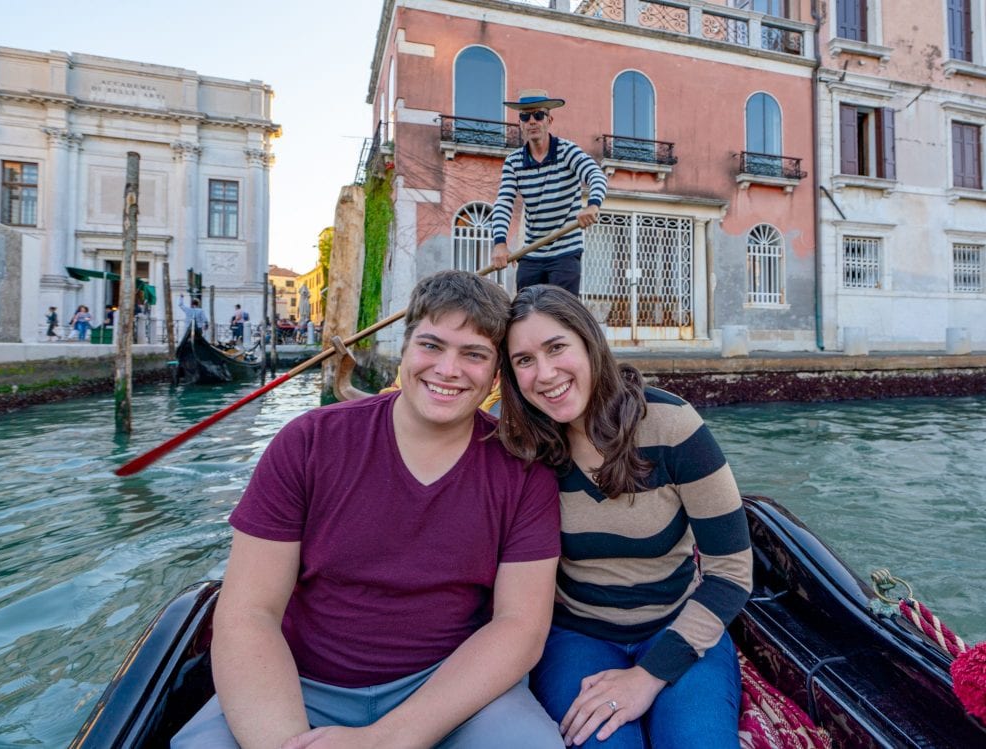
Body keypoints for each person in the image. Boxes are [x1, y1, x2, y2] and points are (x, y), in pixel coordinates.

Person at [171, 270, 564, 749]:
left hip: (452, 692)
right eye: (432, 346)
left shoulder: (522, 471)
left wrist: (388, 739)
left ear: (496, 374)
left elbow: (518, 626)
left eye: (474, 355)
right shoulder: (309, 442)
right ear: (404, 350)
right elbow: (250, 611)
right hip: (298, 683)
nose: (448, 369)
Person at [498, 285, 753, 749]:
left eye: (557, 348)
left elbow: (732, 572)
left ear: (589, 343)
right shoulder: (523, 450)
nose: (546, 373)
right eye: (524, 360)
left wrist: (647, 678)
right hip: (576, 636)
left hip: (678, 625)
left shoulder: (673, 426)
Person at [490, 89, 608, 296]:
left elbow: (596, 175)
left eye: (538, 115)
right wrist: (500, 243)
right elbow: (504, 202)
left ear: (549, 120)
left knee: (561, 314)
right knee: (524, 311)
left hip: (566, 250)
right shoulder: (513, 161)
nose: (532, 121)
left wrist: (593, 204)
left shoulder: (567, 151)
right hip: (531, 251)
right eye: (525, 117)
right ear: (521, 124)